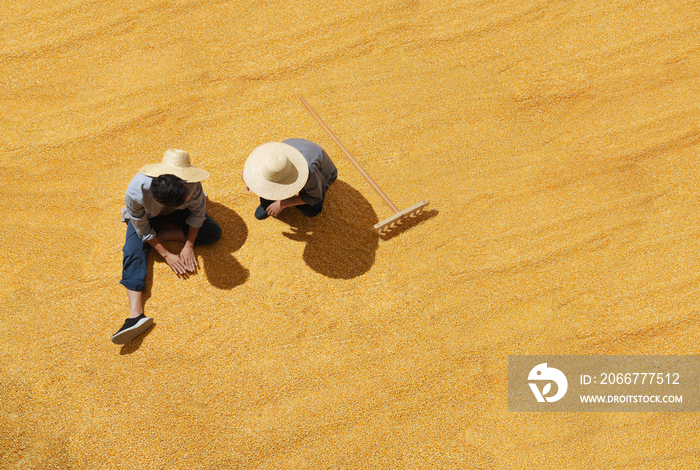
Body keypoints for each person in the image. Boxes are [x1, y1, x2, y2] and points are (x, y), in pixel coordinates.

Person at [112, 149, 222, 344]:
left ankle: (167, 234)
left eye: (187, 195)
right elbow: (142, 227)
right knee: (132, 251)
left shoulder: (193, 185)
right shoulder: (136, 192)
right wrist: (166, 254)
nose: (189, 197)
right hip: (149, 217)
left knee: (213, 232)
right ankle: (135, 316)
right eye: (184, 198)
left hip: (178, 215)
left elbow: (197, 214)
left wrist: (188, 245)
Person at [242, 138, 337, 219]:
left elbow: (315, 197)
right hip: (298, 152)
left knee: (310, 210)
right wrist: (251, 180)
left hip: (322, 174)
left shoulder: (309, 171)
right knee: (268, 183)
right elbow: (247, 172)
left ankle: (286, 199)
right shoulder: (271, 159)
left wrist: (283, 203)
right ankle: (269, 202)